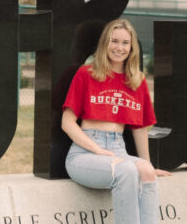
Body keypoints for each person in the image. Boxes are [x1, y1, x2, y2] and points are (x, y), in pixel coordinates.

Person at [61, 18, 170, 223]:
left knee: (147, 173)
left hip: (118, 149)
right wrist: (98, 150)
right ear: (105, 43)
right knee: (127, 170)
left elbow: (140, 128)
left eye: (125, 43)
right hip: (84, 153)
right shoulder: (87, 74)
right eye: (114, 41)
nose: (119, 47)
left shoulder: (136, 80)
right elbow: (67, 123)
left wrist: (147, 163)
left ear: (132, 48)